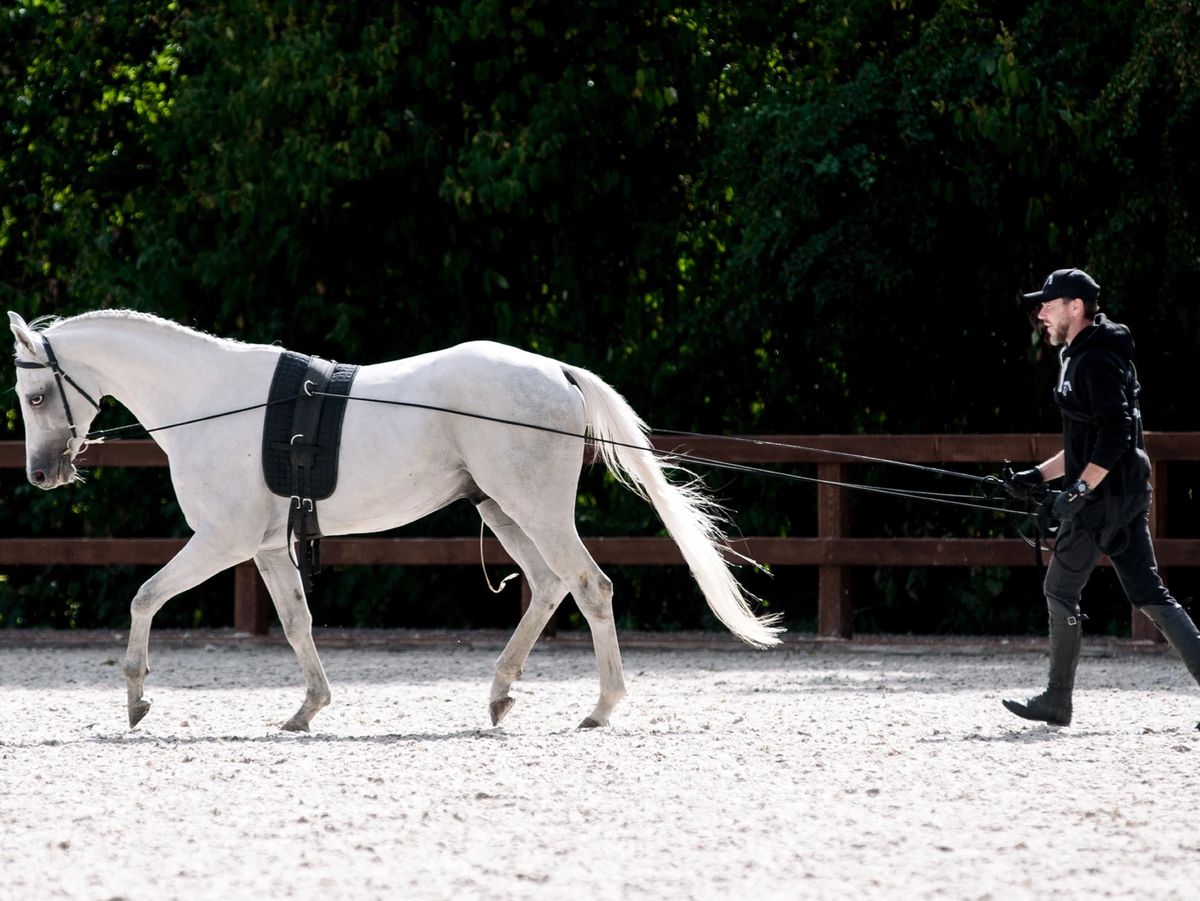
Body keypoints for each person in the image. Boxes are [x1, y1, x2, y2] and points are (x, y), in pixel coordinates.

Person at [1002, 267, 1200, 726]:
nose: (1041, 314)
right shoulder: (1082, 354)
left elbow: (1115, 436)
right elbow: (1085, 444)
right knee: (1149, 593)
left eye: (1048, 305)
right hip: (1121, 493)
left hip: (1102, 500)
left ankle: (1057, 700)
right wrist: (1037, 476)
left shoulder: (1094, 360)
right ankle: (1058, 700)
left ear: (1075, 307)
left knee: (1059, 589)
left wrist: (1080, 488)